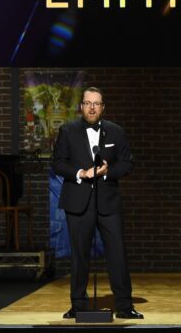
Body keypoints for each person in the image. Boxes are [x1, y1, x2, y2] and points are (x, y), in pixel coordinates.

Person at [52, 87, 143, 320]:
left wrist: (106, 172)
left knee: (117, 254)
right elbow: (58, 164)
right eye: (87, 103)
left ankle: (124, 305)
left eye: (96, 103)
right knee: (79, 256)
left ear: (103, 107)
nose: (92, 107)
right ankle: (78, 305)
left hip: (108, 202)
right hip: (77, 202)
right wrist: (82, 172)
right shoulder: (67, 130)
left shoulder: (116, 132)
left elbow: (127, 163)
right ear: (81, 106)